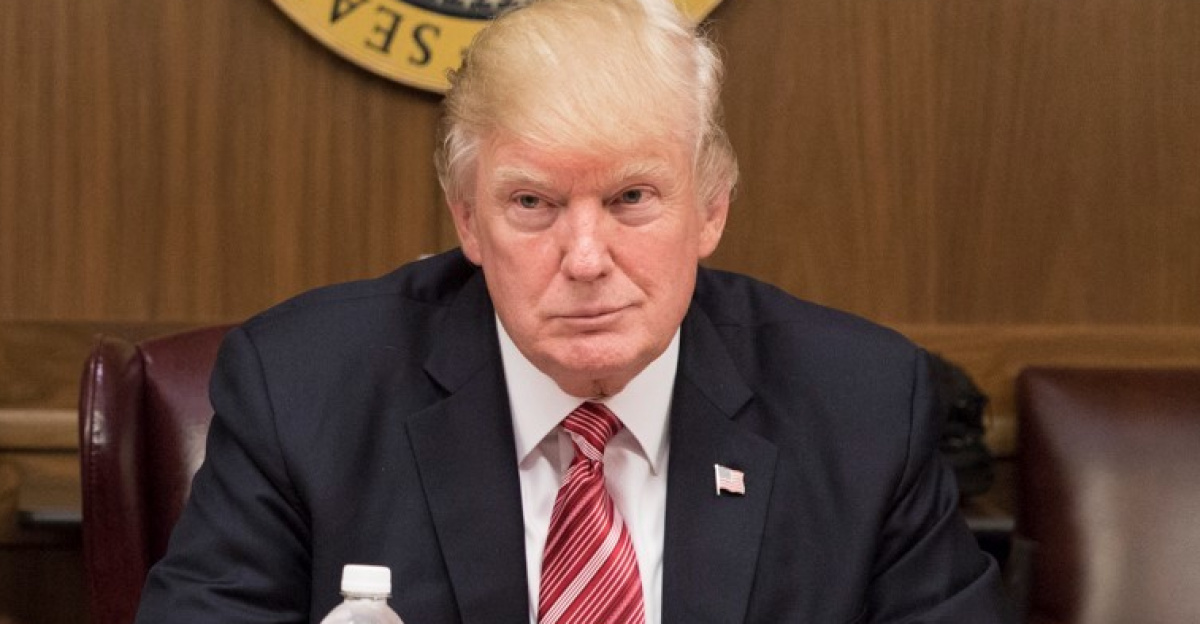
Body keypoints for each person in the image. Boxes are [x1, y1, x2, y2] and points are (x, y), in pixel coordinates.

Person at [135, 0, 1015, 622]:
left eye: (632, 197)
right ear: (467, 220)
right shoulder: (304, 389)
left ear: (712, 208)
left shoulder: (858, 403)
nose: (586, 259)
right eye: (532, 205)